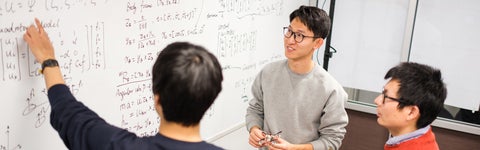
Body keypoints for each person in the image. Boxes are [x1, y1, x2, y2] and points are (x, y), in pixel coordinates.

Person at [24, 18, 224, 150]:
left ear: (157, 99)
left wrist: (48, 59)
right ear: (209, 98)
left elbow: (69, 114)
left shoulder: (118, 146)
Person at [245, 6, 348, 150]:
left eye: (300, 35)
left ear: (317, 43)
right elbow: (255, 110)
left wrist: (293, 148)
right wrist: (254, 129)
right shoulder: (268, 73)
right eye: (289, 31)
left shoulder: (331, 89)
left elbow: (332, 141)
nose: (290, 40)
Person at [374, 62, 447, 150]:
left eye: (386, 97)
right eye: (382, 93)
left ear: (411, 112)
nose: (377, 101)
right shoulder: (423, 137)